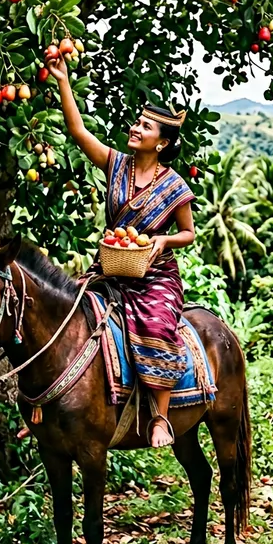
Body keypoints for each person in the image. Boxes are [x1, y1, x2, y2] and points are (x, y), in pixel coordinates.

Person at [47, 53, 196, 448]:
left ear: (162, 142)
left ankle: (161, 417)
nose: (135, 128)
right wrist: (63, 79)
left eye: (145, 126)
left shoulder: (175, 186)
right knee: (63, 314)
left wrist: (163, 241)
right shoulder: (116, 164)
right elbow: (78, 132)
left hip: (154, 276)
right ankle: (56, 407)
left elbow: (188, 234)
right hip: (110, 267)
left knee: (156, 326)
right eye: (137, 122)